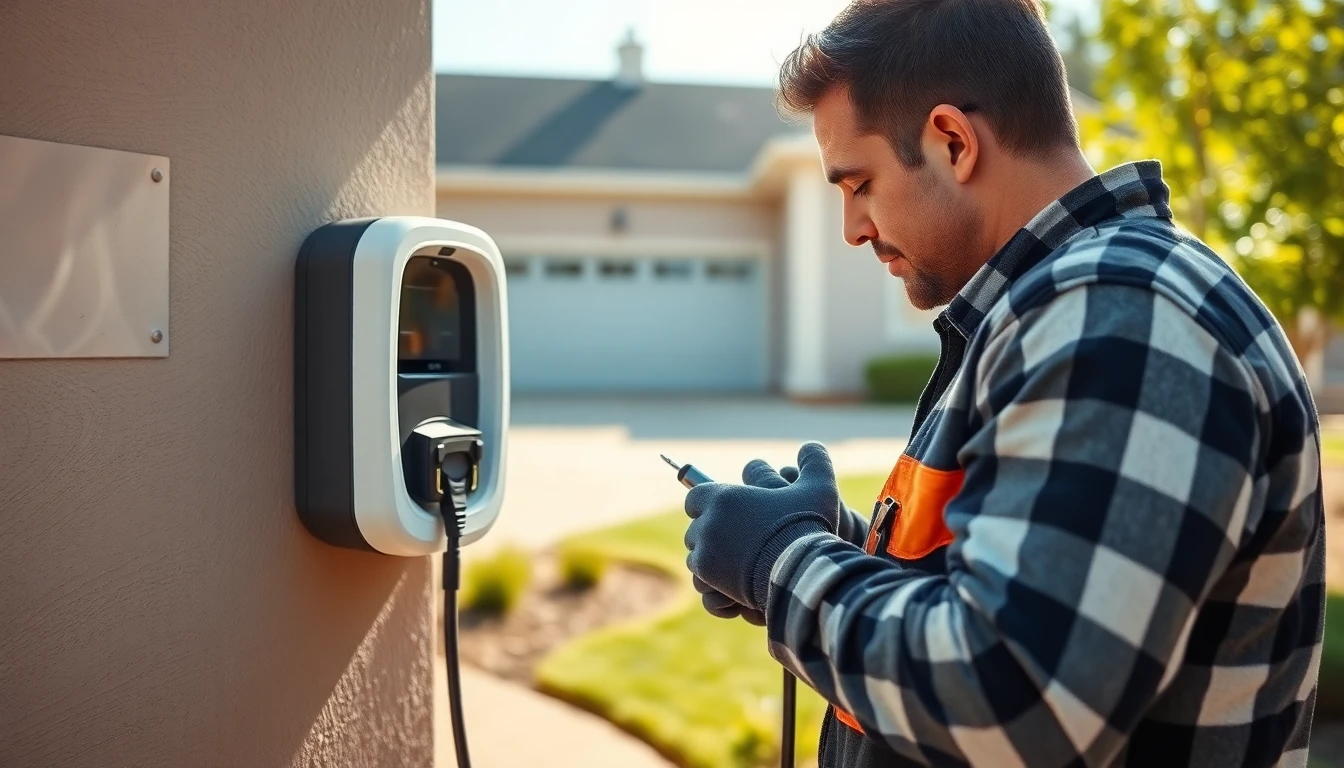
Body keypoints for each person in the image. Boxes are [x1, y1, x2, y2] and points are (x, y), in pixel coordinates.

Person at [679, 0, 1326, 765]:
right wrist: (845, 545)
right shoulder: (1068, 305)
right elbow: (1013, 580)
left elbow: (1018, 697)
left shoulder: (1121, 316)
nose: (852, 227)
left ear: (952, 141)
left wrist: (780, 562)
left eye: (859, 184)